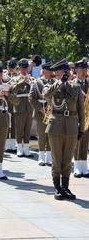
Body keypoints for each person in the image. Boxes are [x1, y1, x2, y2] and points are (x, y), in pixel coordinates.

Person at [43, 58, 84, 200]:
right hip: (56, 125)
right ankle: (57, 187)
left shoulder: (75, 87)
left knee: (67, 159)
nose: (63, 74)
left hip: (72, 125)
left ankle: (65, 187)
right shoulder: (51, 85)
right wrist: (60, 83)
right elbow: (46, 95)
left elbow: (81, 109)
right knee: (57, 158)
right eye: (60, 72)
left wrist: (82, 128)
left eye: (64, 72)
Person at [29, 62, 55, 166]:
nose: (51, 72)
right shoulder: (37, 82)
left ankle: (49, 157)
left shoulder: (54, 82)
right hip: (41, 112)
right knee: (42, 134)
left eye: (51, 70)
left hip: (52, 111)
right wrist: (40, 109)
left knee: (50, 134)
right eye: (48, 71)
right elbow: (31, 97)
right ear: (43, 71)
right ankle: (41, 156)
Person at [11, 58, 35, 158]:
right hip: (19, 106)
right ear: (19, 68)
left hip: (29, 107)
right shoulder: (15, 79)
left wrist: (30, 82)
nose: (24, 70)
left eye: (26, 68)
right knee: (19, 128)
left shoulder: (32, 78)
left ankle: (26, 148)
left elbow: (35, 89)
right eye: (22, 68)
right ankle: (19, 149)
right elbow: (13, 89)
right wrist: (22, 82)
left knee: (27, 128)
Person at [73, 58, 89, 178]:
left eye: (85, 68)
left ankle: (84, 167)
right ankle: (77, 167)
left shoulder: (88, 83)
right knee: (77, 142)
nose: (84, 71)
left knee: (85, 142)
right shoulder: (73, 84)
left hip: (87, 116)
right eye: (82, 69)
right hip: (77, 116)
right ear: (76, 70)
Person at [4, 59, 18, 152]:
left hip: (16, 102)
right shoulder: (4, 77)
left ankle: (13, 144)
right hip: (7, 102)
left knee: (14, 124)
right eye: (10, 67)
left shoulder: (17, 76)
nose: (11, 69)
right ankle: (6, 144)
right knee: (7, 124)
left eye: (13, 67)